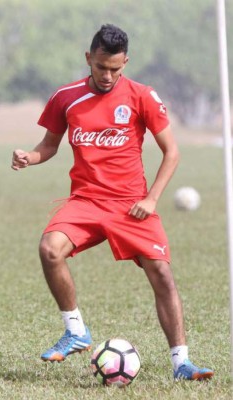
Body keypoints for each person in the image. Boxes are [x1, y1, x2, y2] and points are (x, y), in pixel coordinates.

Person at [11, 24, 214, 381]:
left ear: (126, 62)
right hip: (86, 201)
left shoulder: (142, 96)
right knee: (49, 249)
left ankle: (181, 363)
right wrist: (29, 155)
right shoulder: (66, 97)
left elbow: (172, 152)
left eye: (116, 69)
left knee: (162, 274)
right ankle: (76, 332)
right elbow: (49, 146)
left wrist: (151, 199)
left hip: (132, 204)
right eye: (101, 67)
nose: (108, 76)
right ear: (88, 58)